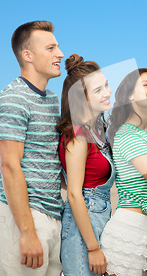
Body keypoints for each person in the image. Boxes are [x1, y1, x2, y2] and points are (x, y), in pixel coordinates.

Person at [0, 21, 64, 275]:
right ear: (28, 55)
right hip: (23, 217)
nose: (60, 54)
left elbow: (52, 161)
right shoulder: (12, 99)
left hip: (54, 215)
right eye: (51, 48)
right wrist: (27, 232)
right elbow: (10, 167)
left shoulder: (52, 100)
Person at [100, 68, 147, 276]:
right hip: (127, 232)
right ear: (130, 96)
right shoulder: (129, 134)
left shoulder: (140, 134)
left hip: (143, 229)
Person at [57, 54, 116, 275]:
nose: (108, 92)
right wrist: (92, 248)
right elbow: (73, 193)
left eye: (106, 85)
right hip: (83, 226)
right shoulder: (78, 134)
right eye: (98, 89)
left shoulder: (95, 131)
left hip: (97, 218)